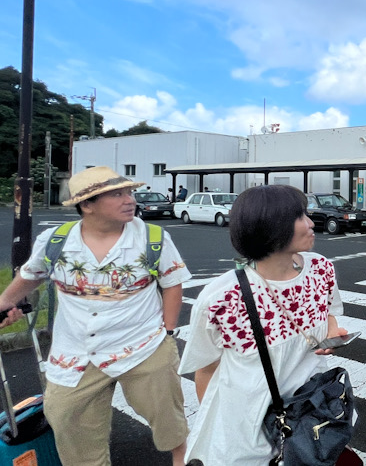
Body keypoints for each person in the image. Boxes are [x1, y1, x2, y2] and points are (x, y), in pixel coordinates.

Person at [0, 166, 190, 466]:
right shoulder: (56, 241)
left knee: (169, 419)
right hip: (76, 352)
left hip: (143, 346)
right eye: (117, 194)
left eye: (129, 192)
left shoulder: (153, 238)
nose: (130, 200)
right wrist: (4, 302)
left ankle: (181, 459)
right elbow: (30, 276)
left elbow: (172, 282)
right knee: (66, 419)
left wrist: (167, 332)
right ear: (87, 205)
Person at [180, 185, 348, 465]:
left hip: (312, 411)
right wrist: (223, 427)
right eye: (299, 216)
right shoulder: (222, 297)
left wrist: (331, 332)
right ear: (270, 227)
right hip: (245, 428)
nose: (310, 223)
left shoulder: (321, 269)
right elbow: (206, 369)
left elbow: (329, 311)